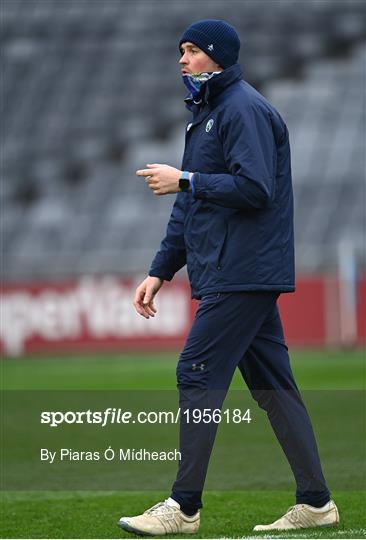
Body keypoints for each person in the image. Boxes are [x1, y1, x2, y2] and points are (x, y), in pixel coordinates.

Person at [118, 19, 339, 536]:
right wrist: (160, 269)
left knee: (195, 372)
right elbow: (190, 207)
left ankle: (184, 506)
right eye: (181, 51)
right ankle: (317, 502)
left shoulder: (241, 108)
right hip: (231, 268)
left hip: (242, 270)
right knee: (275, 389)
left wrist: (187, 179)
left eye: (191, 51)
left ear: (216, 56)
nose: (182, 59)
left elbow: (255, 189)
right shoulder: (208, 115)